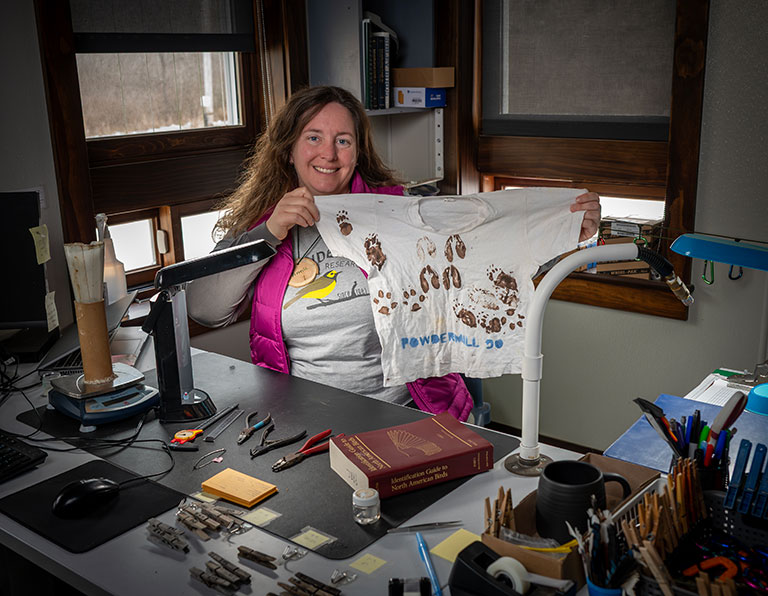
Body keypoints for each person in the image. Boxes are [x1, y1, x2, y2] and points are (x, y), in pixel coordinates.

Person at [186, 86, 600, 421]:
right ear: (288, 149)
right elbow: (205, 310)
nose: (328, 154)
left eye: (342, 141)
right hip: (301, 420)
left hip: (403, 414)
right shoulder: (264, 226)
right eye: (313, 138)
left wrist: (564, 229)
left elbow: (482, 248)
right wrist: (271, 231)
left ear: (357, 151)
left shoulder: (400, 213)